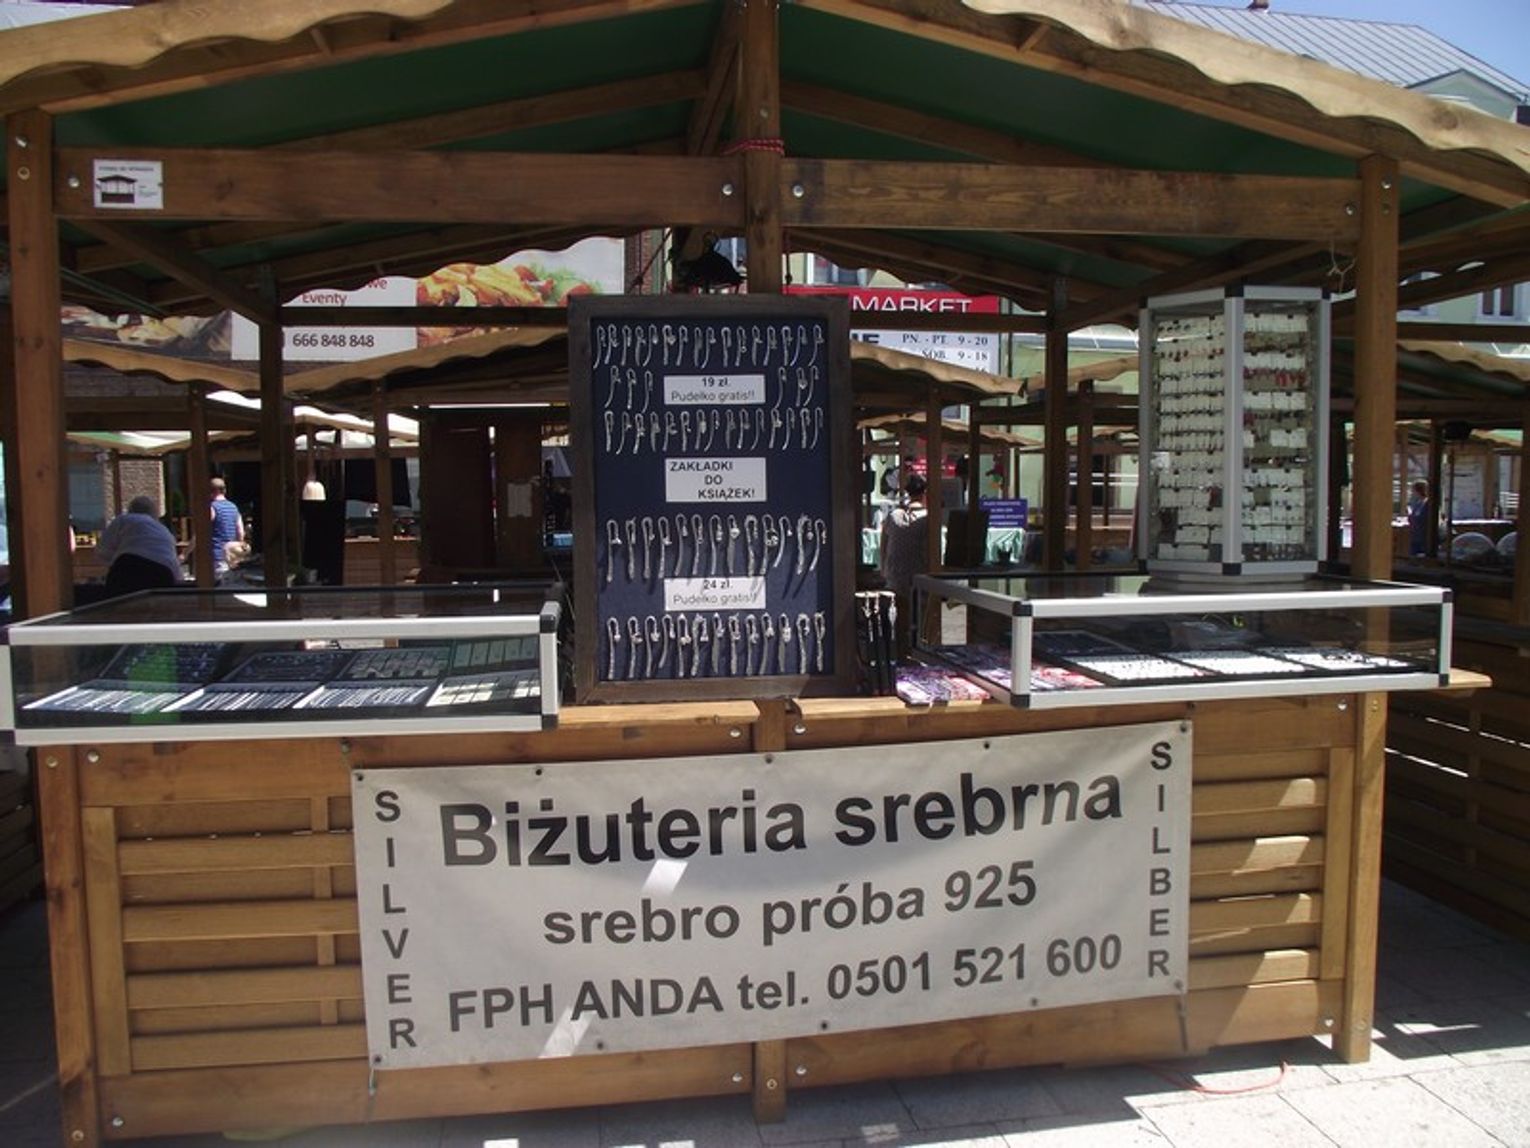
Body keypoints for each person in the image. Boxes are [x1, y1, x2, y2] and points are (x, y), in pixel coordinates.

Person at [879, 473, 929, 657]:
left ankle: (900, 653)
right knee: (921, 618)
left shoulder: (893, 517)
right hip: (918, 579)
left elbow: (883, 547)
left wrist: (884, 571)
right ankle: (917, 651)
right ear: (925, 494)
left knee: (899, 622)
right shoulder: (928, 519)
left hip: (894, 579)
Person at [97, 495, 183, 596]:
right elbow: (172, 562)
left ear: (130, 509)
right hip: (163, 574)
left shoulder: (123, 520)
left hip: (129, 567)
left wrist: (114, 560)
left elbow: (103, 550)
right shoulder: (165, 531)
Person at [210, 477, 246, 582]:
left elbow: (202, 532)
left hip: (216, 555)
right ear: (224, 490)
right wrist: (237, 552)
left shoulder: (212, 507)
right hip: (230, 557)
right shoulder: (234, 507)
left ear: (211, 491)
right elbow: (240, 532)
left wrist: (186, 552)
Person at [1407, 480, 1432, 558]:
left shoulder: (1428, 504)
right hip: (1416, 536)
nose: (1412, 493)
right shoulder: (1418, 503)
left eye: (1413, 490)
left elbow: (1423, 519)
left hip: (1423, 537)